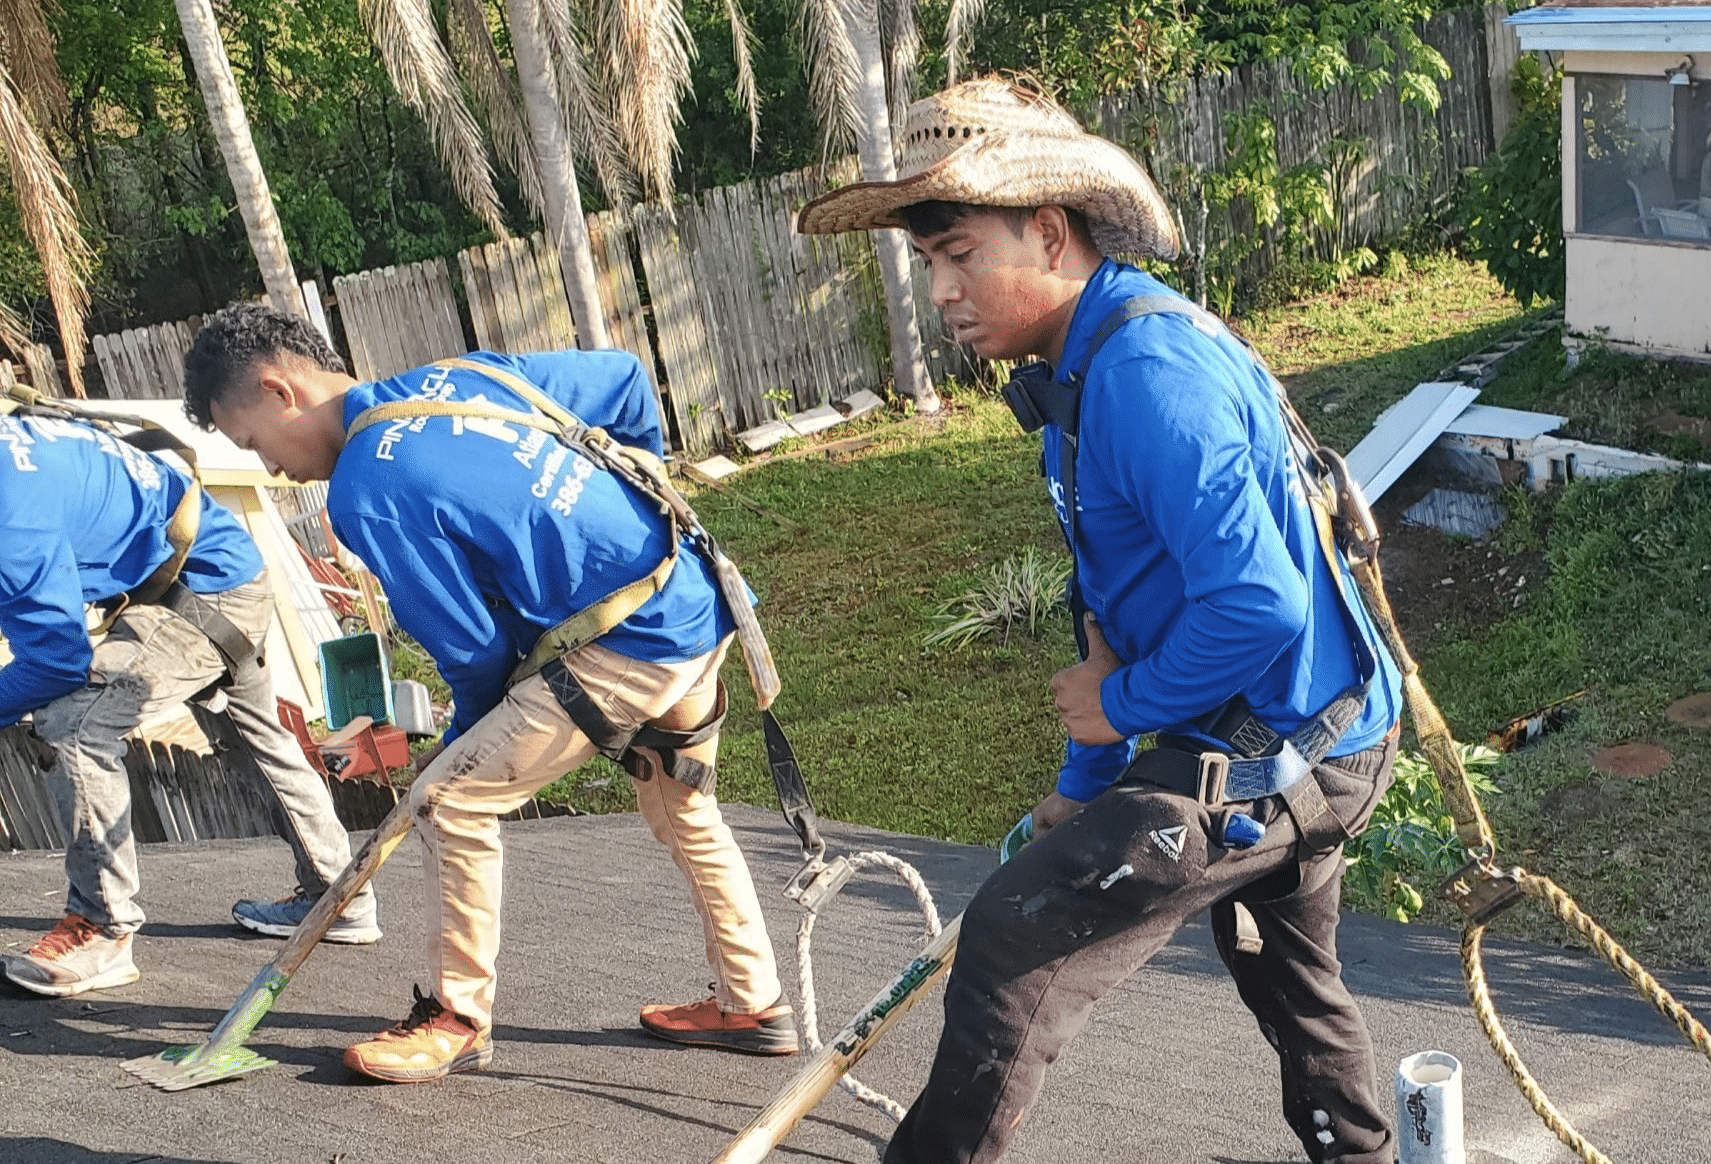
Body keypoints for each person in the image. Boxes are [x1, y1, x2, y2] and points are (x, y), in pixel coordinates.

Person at [796, 79, 1406, 1164]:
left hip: (1282, 747)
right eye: (929, 264)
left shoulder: (1148, 374)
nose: (940, 291)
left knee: (1012, 944)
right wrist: (1081, 789)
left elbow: (1256, 605)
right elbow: (1116, 616)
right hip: (1294, 731)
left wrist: (1118, 707)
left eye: (957, 254)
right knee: (1293, 986)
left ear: (1047, 229)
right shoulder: (1076, 380)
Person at [182, 306, 797, 1083]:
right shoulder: (465, 376)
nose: (267, 468)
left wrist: (458, 750)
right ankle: (751, 1001)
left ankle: (454, 1017)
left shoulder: (367, 486)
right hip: (692, 597)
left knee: (450, 799)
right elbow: (626, 382)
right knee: (681, 802)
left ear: (278, 390)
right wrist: (641, 507)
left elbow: (474, 652)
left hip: (627, 644)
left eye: (251, 444)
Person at [0, 397, 379, 998]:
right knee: (263, 740)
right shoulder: (12, 443)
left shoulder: (9, 518)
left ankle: (103, 931)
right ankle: (341, 898)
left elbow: (56, 657)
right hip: (222, 567)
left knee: (73, 724)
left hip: (200, 593)